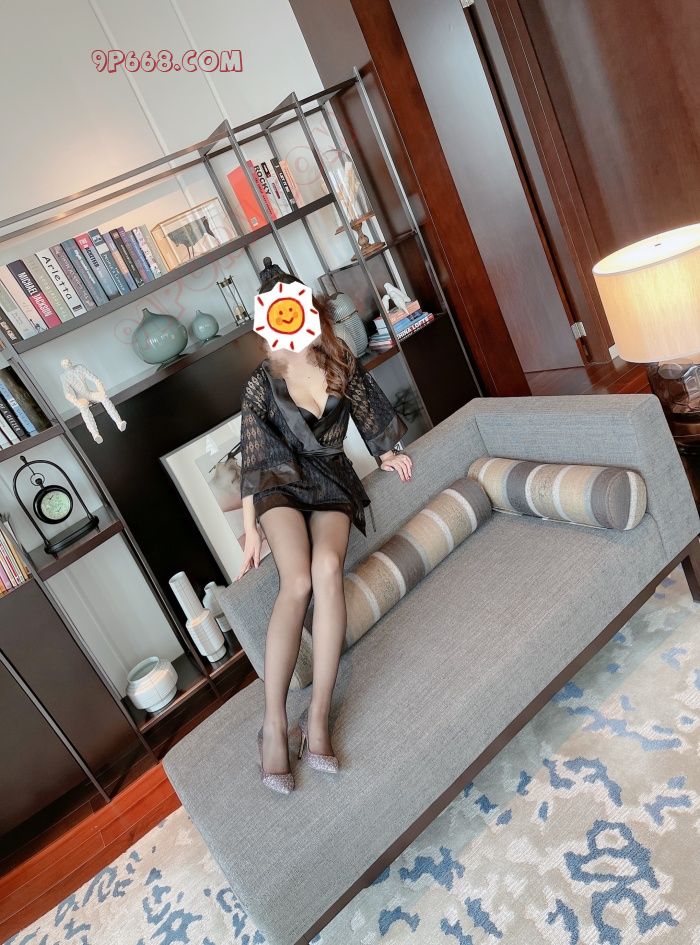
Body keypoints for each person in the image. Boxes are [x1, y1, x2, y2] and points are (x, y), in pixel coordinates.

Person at [237, 270, 412, 794]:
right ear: (265, 325)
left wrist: (387, 453)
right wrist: (251, 530)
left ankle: (317, 716)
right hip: (281, 484)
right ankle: (273, 726)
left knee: (328, 567)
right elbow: (255, 459)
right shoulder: (260, 383)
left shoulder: (339, 361)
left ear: (309, 312)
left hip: (332, 480)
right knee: (297, 581)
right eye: (276, 319)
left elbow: (369, 412)